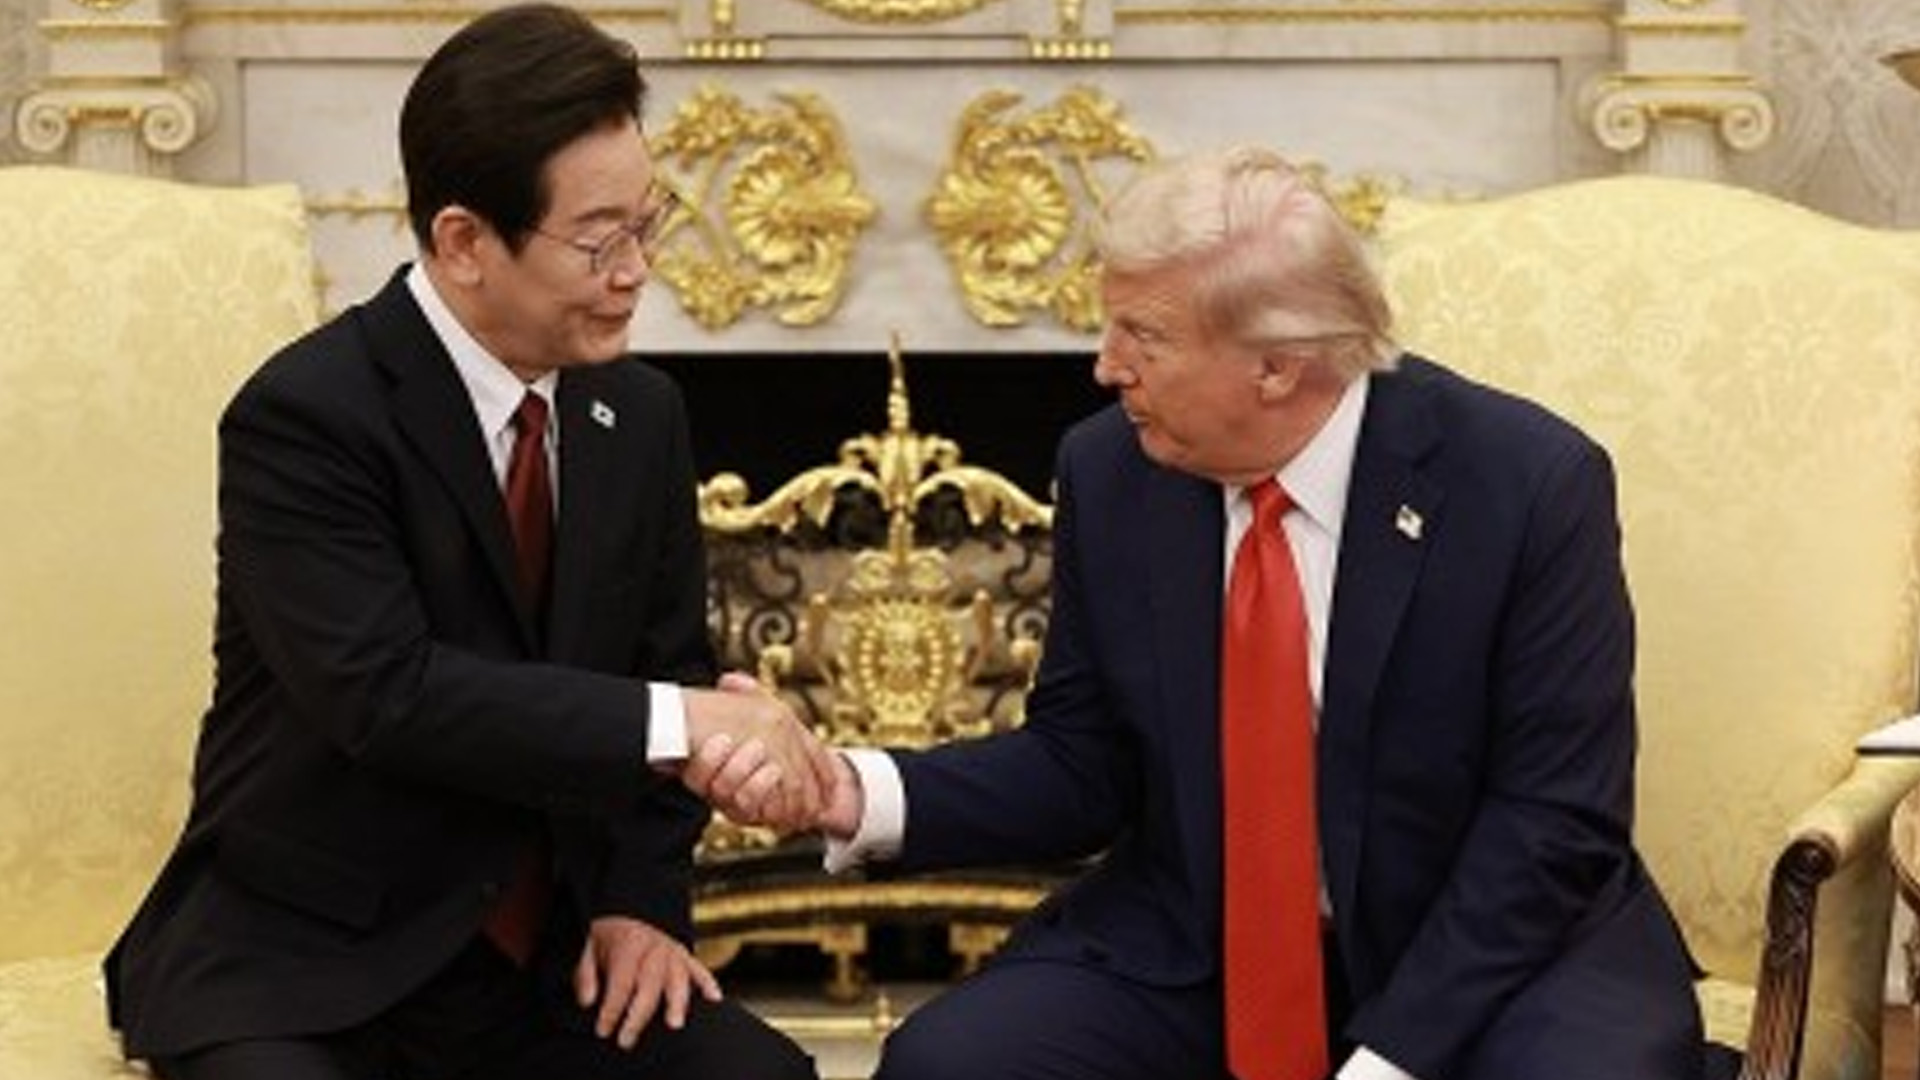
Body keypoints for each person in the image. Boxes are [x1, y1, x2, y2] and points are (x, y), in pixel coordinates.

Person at [694, 146, 1708, 1080]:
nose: (1106, 366)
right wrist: (848, 791)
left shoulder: (1524, 483)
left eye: (1143, 336)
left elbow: (1552, 822)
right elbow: (1084, 763)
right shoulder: (1114, 468)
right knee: (952, 1066)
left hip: (1493, 949)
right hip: (1206, 945)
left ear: (1278, 364)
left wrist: (1389, 1064)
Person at [104, 5, 831, 1079]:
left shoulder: (640, 415)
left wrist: (639, 906)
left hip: (545, 966)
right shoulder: (308, 415)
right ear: (463, 242)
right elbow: (387, 694)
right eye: (600, 240)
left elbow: (664, 662)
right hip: (311, 966)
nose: (637, 270)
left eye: (649, 223)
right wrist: (690, 722)